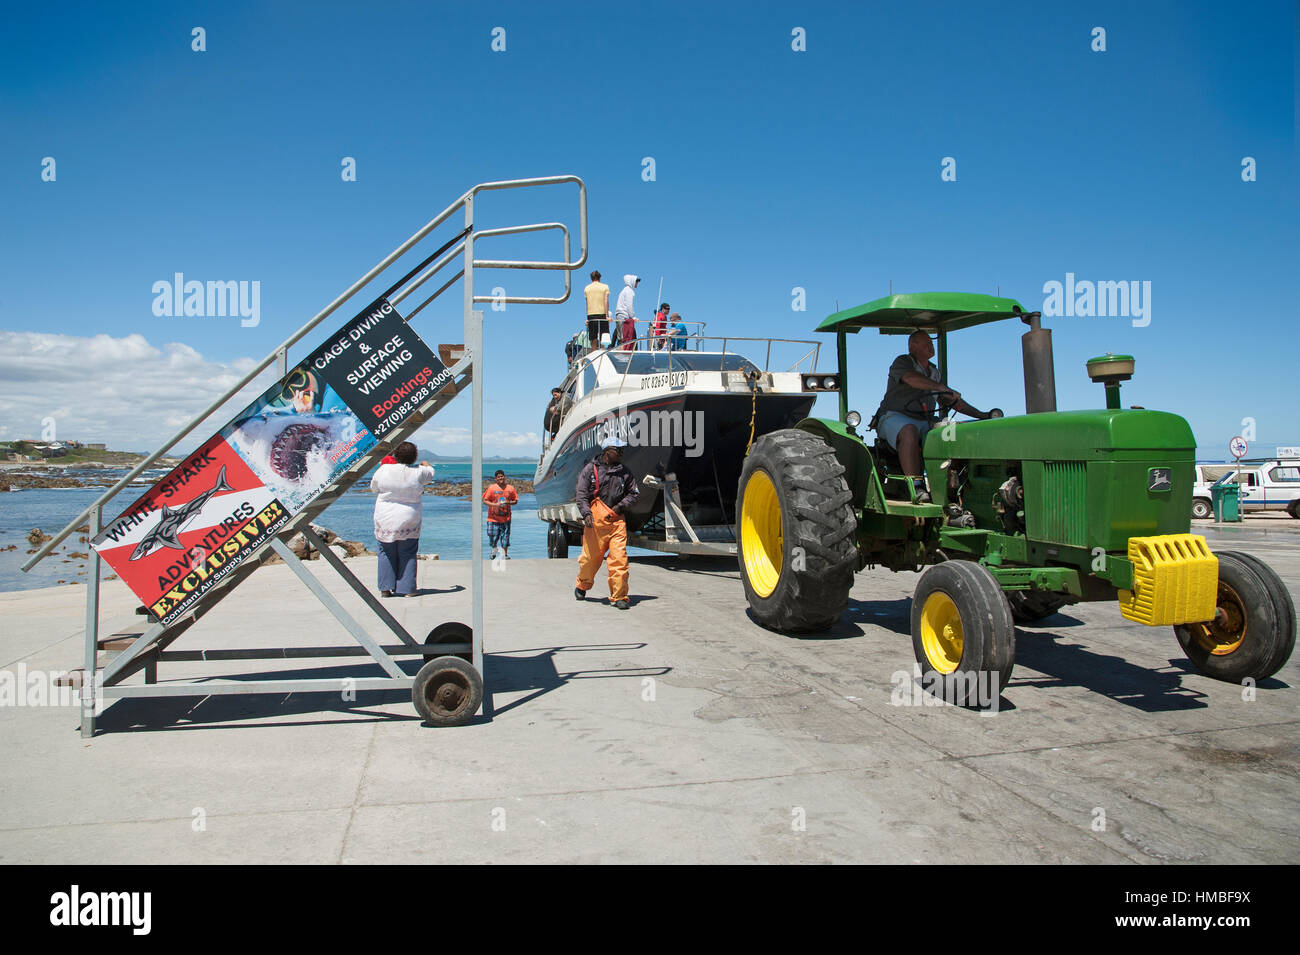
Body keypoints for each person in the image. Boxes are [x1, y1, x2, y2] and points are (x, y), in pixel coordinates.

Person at [874, 330, 996, 498]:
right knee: (909, 430)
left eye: (931, 343)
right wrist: (941, 387)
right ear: (913, 346)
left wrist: (982, 415)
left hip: (925, 420)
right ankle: (916, 486)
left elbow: (950, 399)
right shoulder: (903, 362)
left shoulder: (934, 371)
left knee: (952, 431)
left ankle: (957, 484)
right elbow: (911, 379)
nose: (931, 347)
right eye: (926, 343)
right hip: (895, 416)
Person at [574, 436, 640, 609]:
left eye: (621, 450)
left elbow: (634, 493)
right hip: (595, 522)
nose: (621, 453)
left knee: (619, 559)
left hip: (617, 521)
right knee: (590, 559)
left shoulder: (625, 472)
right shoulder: (590, 470)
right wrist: (586, 514)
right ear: (607, 451)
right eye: (618, 450)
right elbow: (581, 495)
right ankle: (583, 584)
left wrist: (619, 508)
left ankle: (619, 597)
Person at [370, 441, 436, 597]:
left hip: (385, 516)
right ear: (414, 457)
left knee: (385, 551)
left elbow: (374, 487)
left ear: (395, 455)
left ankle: (385, 588)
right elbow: (430, 473)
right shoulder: (418, 473)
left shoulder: (384, 469)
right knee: (408, 552)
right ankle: (407, 589)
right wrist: (426, 464)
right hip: (409, 517)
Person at [483, 469, 518, 559]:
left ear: (504, 477)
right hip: (492, 518)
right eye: (498, 477)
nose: (500, 478)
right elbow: (485, 501)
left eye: (502, 476)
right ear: (496, 479)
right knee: (492, 536)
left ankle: (504, 554)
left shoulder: (510, 488)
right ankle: (494, 552)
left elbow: (515, 501)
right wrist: (495, 505)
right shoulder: (491, 488)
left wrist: (508, 502)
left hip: (506, 518)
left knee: (505, 537)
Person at [584, 270, 611, 352]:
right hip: (602, 313)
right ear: (600, 277)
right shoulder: (605, 287)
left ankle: (593, 353)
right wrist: (607, 315)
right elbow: (606, 301)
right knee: (604, 336)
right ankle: (603, 352)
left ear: (591, 278)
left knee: (593, 338)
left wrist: (587, 318)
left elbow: (587, 303)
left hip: (591, 314)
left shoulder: (587, 288)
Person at [615, 275, 640, 353]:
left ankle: (622, 353)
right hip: (624, 317)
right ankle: (624, 354)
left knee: (621, 337)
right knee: (626, 337)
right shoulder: (629, 291)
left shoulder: (625, 290)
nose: (637, 283)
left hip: (620, 315)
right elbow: (629, 305)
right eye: (636, 281)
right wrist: (633, 317)